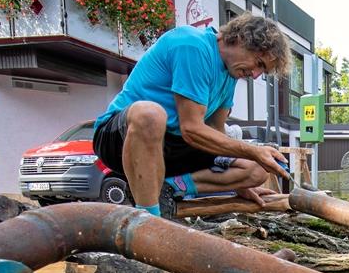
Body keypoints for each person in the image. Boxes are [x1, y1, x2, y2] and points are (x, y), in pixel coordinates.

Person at [92, 14, 292, 217]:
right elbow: (192, 129)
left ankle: (168, 186)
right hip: (118, 137)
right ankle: (150, 218)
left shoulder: (230, 73)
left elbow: (216, 132)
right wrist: (253, 150)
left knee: (257, 169)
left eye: (263, 71)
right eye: (258, 63)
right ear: (241, 39)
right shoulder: (192, 45)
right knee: (150, 115)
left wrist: (241, 183)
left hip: (170, 146)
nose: (256, 75)